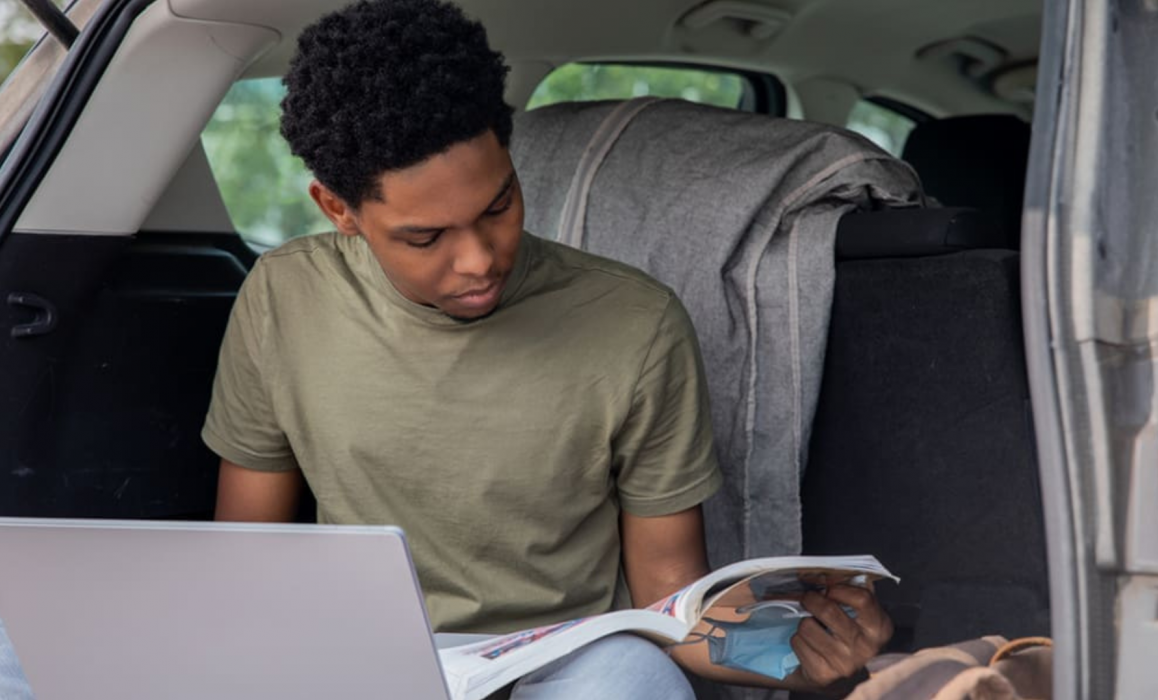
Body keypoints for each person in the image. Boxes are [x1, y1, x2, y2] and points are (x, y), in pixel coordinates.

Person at [203, 0, 893, 697]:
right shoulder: (282, 298)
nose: (478, 260)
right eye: (425, 237)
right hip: (362, 656)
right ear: (338, 211)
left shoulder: (635, 324)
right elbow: (249, 562)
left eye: (498, 207)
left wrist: (792, 654)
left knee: (637, 681)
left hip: (568, 661)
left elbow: (669, 599)